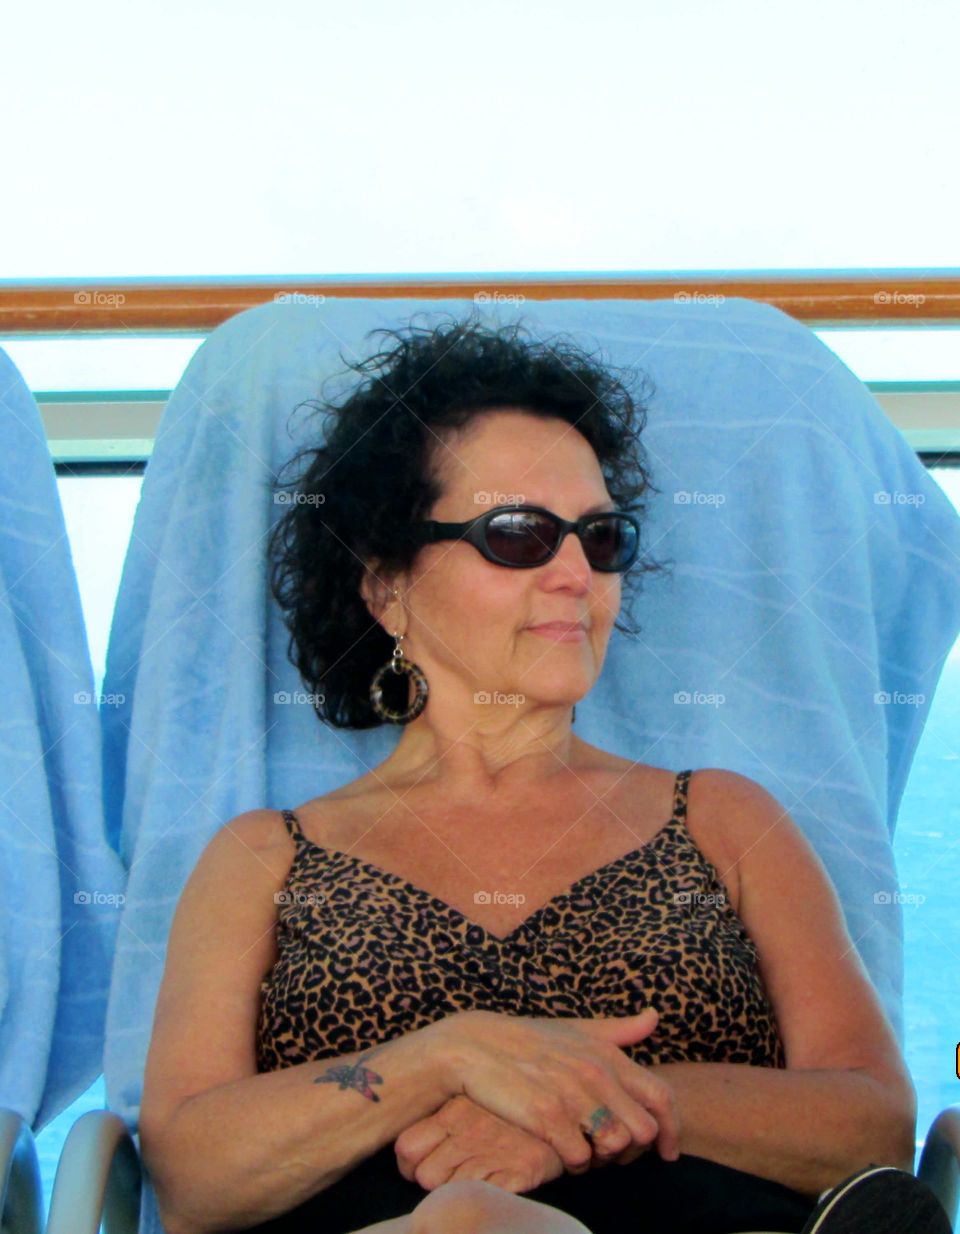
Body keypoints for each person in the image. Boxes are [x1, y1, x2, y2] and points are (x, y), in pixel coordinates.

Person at [137, 314, 948, 1234]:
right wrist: (450, 1058)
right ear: (386, 584)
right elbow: (192, 1171)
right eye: (519, 535)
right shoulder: (265, 859)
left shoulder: (723, 820)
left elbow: (873, 1119)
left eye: (601, 540)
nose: (576, 573)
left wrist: (586, 1105)